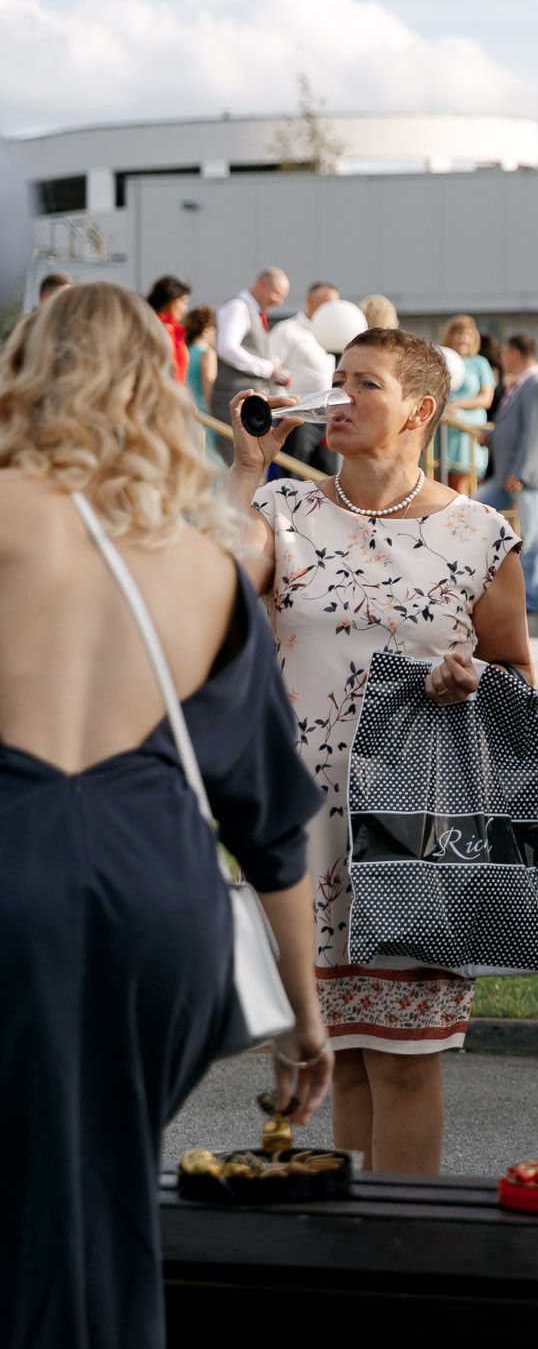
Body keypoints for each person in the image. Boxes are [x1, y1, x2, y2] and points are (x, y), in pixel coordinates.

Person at [0, 284, 331, 1348]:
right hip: (157, 906)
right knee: (100, 1180)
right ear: (161, 388)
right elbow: (269, 820)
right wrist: (305, 1017)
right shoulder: (204, 567)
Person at [227, 327, 533, 1173]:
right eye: (335, 379)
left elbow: (517, 680)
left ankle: (410, 1254)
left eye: (365, 384)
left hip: (416, 820)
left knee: (403, 1065)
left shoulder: (480, 532)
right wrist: (251, 466)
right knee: (344, 1062)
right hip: (303, 825)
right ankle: (350, 1249)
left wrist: (467, 683)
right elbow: (213, 595)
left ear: (420, 410)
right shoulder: (283, 512)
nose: (338, 397)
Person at [475, 335, 538, 615]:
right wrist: (492, 436)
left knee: (533, 538)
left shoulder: (537, 385)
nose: (503, 359)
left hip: (526, 478)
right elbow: (515, 427)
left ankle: (530, 601)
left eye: (506, 354)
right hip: (504, 476)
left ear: (516, 354)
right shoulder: (518, 386)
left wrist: (522, 472)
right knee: (473, 512)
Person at [210, 268, 294, 443]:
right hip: (233, 399)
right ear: (262, 283)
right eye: (277, 294)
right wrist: (269, 368)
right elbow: (226, 348)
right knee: (234, 456)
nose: (279, 302)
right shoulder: (237, 307)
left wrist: (274, 373)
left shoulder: (252, 312)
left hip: (246, 401)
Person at [267, 282, 342, 473]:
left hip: (325, 415)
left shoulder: (333, 334)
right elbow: (270, 367)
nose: (332, 310)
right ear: (311, 301)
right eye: (328, 303)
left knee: (325, 473)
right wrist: (285, 405)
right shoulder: (288, 330)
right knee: (293, 472)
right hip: (298, 414)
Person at [439, 315, 495, 495]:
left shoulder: (480, 363)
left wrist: (458, 404)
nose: (463, 339)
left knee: (461, 488)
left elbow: (486, 399)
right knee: (438, 484)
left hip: (467, 429)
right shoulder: (440, 359)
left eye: (468, 335)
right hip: (442, 428)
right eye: (459, 334)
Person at [148, 275, 191, 382]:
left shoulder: (169, 329)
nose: (185, 309)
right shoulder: (162, 330)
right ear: (169, 300)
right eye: (182, 302)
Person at [181, 304, 218, 413]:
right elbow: (210, 395)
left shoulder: (184, 351)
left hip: (188, 415)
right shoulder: (207, 354)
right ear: (207, 330)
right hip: (205, 419)